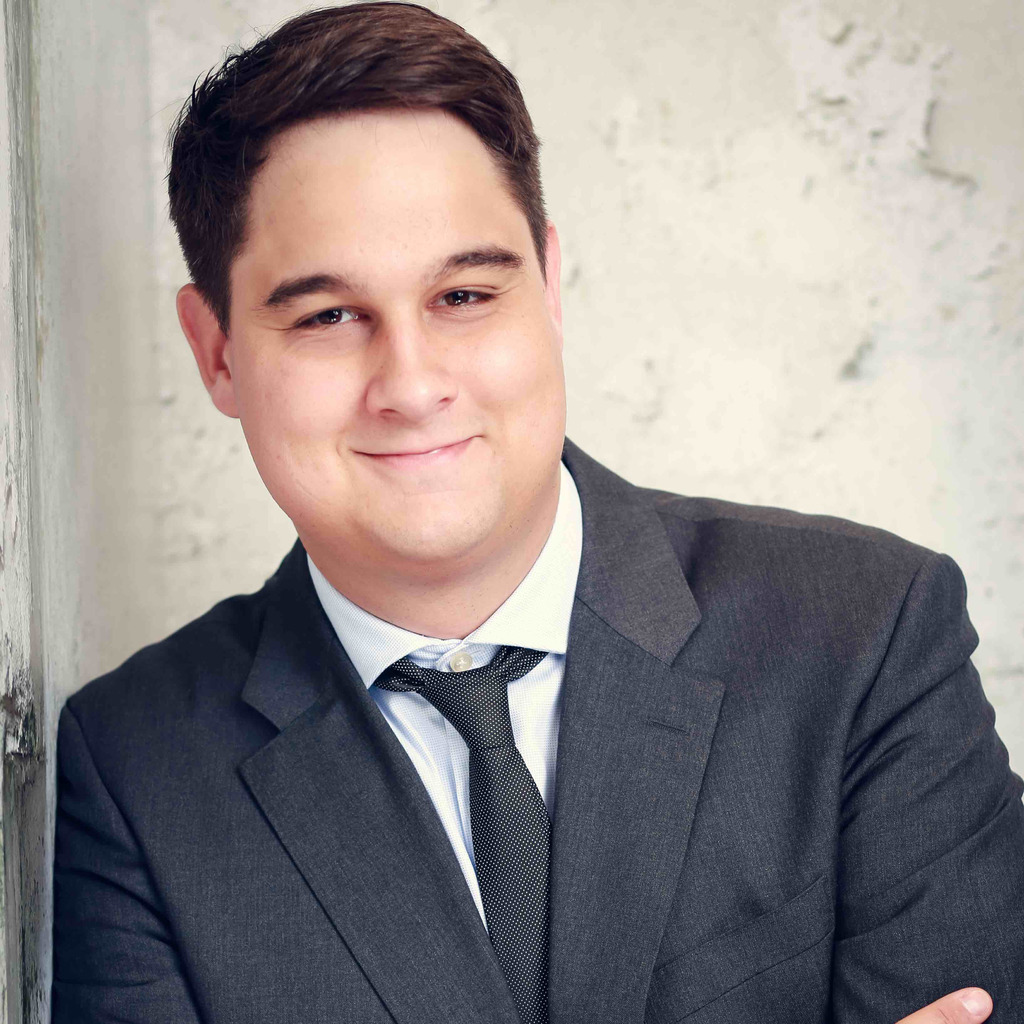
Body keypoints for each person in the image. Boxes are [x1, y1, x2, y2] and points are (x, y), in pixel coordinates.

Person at [50, 4, 1023, 1023]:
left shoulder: (865, 636)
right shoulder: (132, 772)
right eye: (328, 315)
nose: (411, 385)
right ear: (215, 352)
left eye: (464, 296)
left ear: (550, 286)